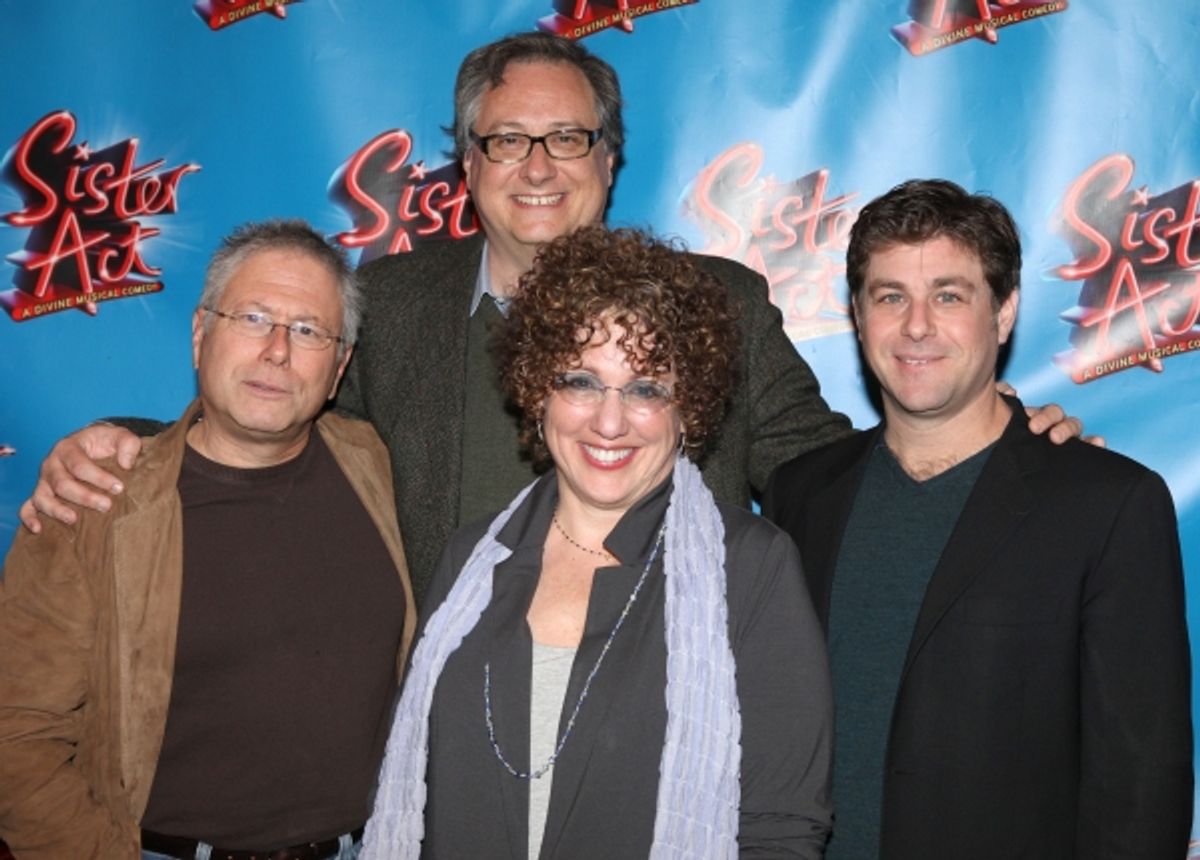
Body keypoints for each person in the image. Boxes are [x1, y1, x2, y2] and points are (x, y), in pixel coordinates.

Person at [17, 32, 1079, 602]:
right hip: (434, 726)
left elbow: (828, 474)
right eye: (505, 140)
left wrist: (994, 444)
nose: (536, 167)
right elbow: (266, 422)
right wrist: (124, 443)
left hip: (656, 714)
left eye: (566, 139)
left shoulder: (721, 303)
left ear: (610, 160)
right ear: (464, 164)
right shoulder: (386, 303)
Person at [362, 225, 834, 859]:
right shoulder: (470, 559)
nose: (609, 421)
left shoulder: (751, 566)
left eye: (645, 388)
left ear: (687, 407)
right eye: (580, 381)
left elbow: (780, 829)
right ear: (538, 394)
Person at [763, 180, 1193, 859]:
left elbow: (1139, 781)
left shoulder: (1107, 505)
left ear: (1004, 312)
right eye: (890, 296)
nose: (917, 326)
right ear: (857, 312)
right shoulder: (801, 494)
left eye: (949, 295)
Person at [0, 220, 417, 860]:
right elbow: (18, 733)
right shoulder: (89, 502)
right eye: (252, 318)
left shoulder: (383, 469)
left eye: (308, 331)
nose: (277, 350)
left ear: (339, 369)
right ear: (200, 335)